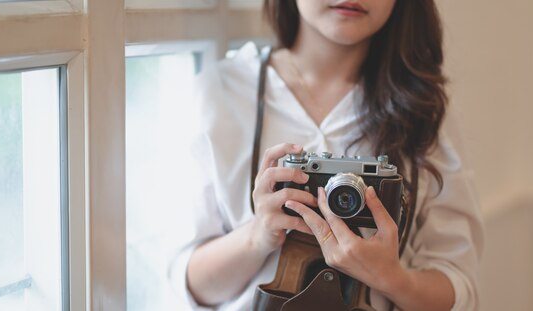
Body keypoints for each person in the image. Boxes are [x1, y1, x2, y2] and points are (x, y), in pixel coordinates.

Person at [168, 1, 484, 310]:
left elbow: (458, 288)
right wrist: (258, 235)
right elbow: (191, 285)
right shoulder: (220, 92)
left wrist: (392, 278)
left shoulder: (425, 110)